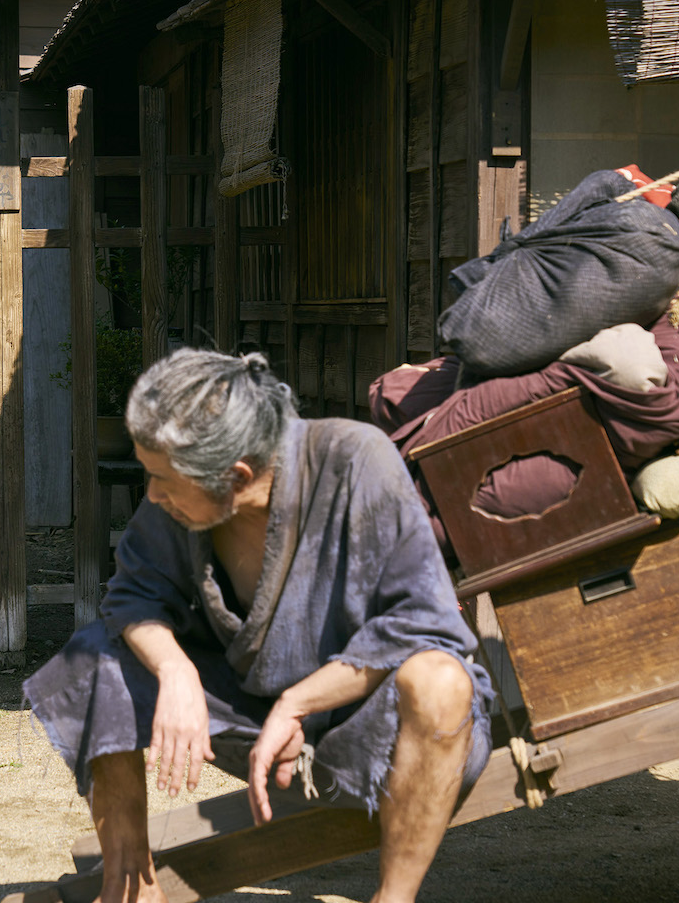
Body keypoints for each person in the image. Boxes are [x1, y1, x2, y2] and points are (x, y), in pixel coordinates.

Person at [24, 349, 496, 903]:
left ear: (236, 475)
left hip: (365, 715)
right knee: (98, 657)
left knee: (440, 682)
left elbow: (420, 622)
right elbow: (133, 595)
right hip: (245, 709)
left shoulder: (355, 460)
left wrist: (300, 702)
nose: (152, 495)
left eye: (162, 481)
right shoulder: (182, 492)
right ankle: (130, 887)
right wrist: (175, 671)